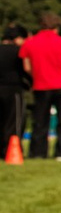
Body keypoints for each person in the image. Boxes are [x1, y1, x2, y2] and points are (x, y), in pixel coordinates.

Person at [19, 14, 61, 161]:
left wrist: (37, 74)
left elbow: (26, 67)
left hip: (41, 86)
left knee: (40, 122)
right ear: (56, 27)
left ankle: (38, 153)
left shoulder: (30, 43)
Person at [0, 24, 26, 155]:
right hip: (13, 88)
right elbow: (25, 70)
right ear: (18, 38)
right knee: (13, 122)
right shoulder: (18, 51)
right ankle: (11, 151)